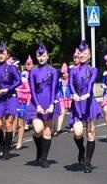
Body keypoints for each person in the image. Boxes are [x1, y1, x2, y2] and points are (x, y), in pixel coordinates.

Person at [66, 43, 100, 172]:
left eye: (85, 54)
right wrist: (74, 94)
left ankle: (87, 162)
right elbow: (70, 84)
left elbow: (91, 82)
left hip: (89, 103)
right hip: (77, 103)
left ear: (89, 56)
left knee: (90, 132)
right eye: (80, 54)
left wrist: (87, 94)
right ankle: (81, 149)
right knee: (78, 132)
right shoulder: (73, 70)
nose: (82, 56)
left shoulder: (93, 70)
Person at [27, 44, 61, 167]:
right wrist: (37, 105)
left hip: (50, 102)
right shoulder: (33, 71)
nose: (41, 58)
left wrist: (52, 104)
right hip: (36, 102)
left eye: (44, 56)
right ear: (36, 57)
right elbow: (32, 89)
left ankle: (44, 158)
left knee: (47, 131)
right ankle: (39, 150)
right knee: (38, 130)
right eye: (39, 56)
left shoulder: (53, 71)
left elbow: (54, 89)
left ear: (47, 56)